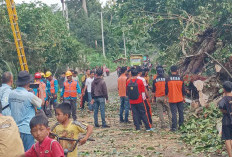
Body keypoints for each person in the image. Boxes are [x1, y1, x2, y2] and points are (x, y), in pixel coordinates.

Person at [8, 71, 42, 151]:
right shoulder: (29, 95)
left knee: (18, 152)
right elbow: (40, 103)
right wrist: (41, 90)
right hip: (27, 129)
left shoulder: (11, 93)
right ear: (28, 83)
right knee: (28, 152)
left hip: (15, 129)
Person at [165, 65, 185, 132]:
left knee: (174, 113)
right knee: (181, 112)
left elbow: (166, 90)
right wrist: (184, 97)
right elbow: (183, 89)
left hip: (172, 98)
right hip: (180, 98)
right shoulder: (180, 78)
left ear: (171, 71)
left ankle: (174, 128)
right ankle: (181, 126)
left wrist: (165, 97)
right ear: (177, 71)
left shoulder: (168, 79)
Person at [218, 81, 232, 157]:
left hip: (226, 120)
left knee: (227, 139)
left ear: (224, 89)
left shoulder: (224, 99)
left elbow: (220, 106)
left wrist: (224, 111)